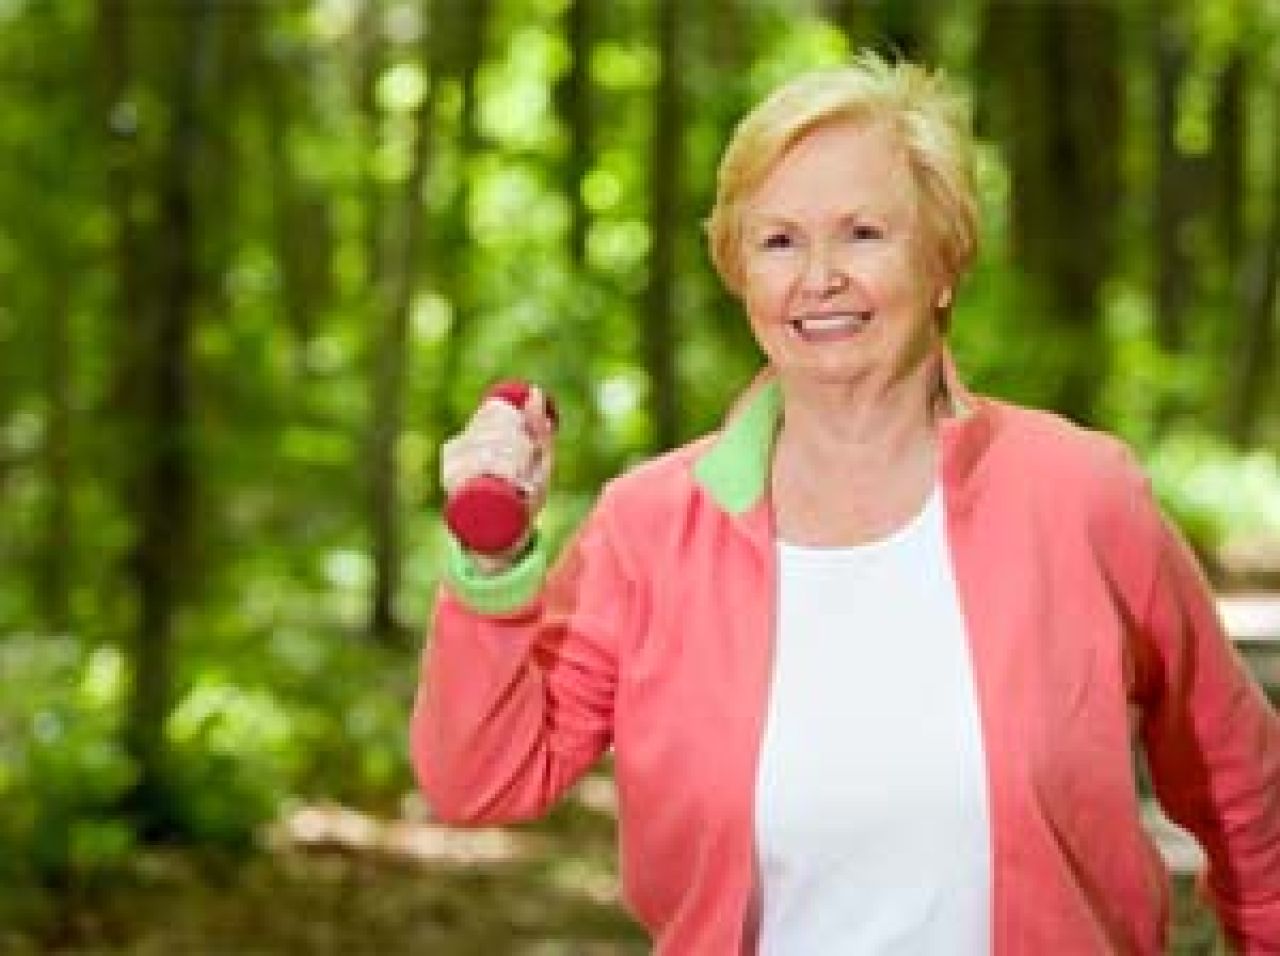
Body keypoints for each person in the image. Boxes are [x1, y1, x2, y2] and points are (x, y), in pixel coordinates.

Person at [412, 52, 1280, 954]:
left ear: (944, 259)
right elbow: (479, 781)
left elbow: (1245, 792)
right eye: (779, 241)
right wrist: (490, 569)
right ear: (740, 272)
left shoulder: (1080, 495)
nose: (818, 276)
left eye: (863, 233)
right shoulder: (651, 529)